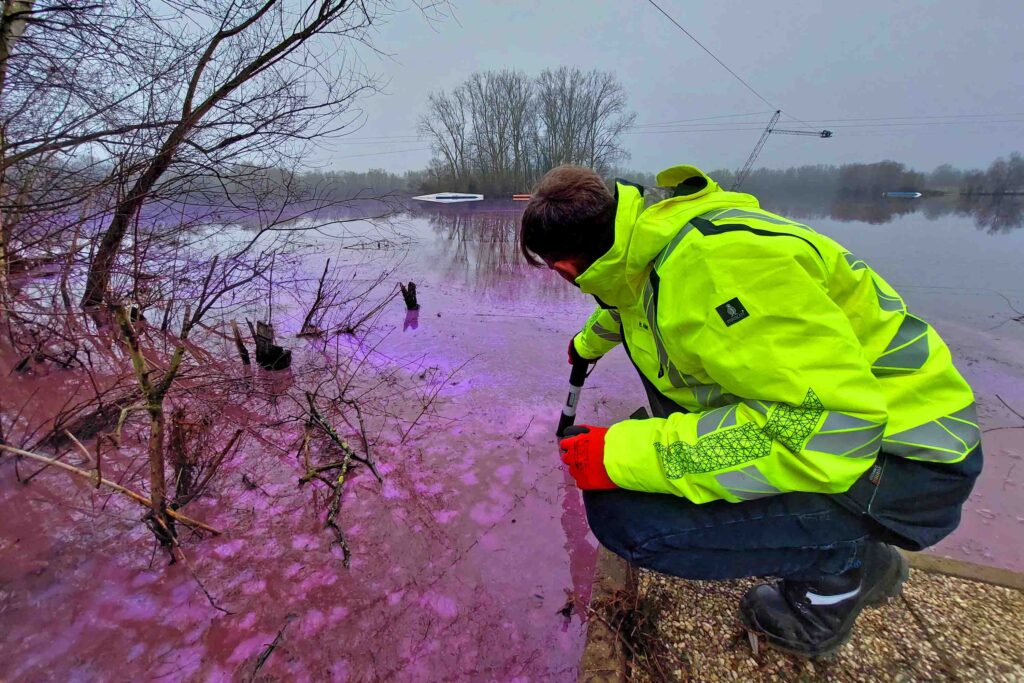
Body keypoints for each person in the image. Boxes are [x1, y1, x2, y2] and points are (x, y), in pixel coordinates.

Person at [519, 164, 982, 658]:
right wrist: (587, 344)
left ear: (565, 268)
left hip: (903, 463)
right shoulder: (654, 238)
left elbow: (821, 427)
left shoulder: (720, 268)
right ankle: (834, 547)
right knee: (644, 447)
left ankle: (842, 573)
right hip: (868, 435)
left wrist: (619, 455)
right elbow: (626, 302)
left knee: (627, 518)